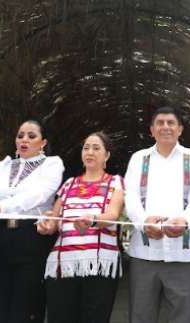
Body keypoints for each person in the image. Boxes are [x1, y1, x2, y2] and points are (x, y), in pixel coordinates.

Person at [0, 120, 64, 323]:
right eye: (20, 135)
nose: (24, 139)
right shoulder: (3, 165)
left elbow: (39, 195)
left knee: (25, 304)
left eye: (31, 136)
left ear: (43, 142)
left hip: (32, 237)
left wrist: (0, 206)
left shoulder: (53, 164)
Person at [124, 106, 190, 323]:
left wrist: (185, 220)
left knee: (183, 316)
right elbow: (130, 196)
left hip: (184, 255)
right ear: (151, 130)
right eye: (160, 123)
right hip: (144, 253)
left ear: (180, 129)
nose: (165, 127)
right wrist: (144, 222)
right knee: (141, 315)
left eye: (171, 122)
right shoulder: (138, 158)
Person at [37, 132, 125, 323]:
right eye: (86, 148)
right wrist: (47, 224)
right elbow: (55, 217)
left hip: (98, 265)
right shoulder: (69, 184)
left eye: (96, 148)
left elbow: (113, 215)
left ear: (107, 155)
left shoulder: (115, 182)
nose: (90, 152)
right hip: (63, 264)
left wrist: (92, 219)